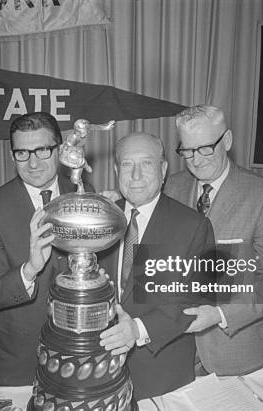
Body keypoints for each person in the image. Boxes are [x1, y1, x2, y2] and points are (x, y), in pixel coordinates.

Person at [164, 104, 263, 376]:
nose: (196, 160)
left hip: (233, 353)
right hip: (175, 350)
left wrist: (221, 314)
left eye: (205, 148)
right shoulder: (171, 187)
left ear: (227, 140)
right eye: (187, 150)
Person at [0, 112, 93, 386]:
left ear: (60, 150)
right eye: (22, 153)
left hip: (84, 356)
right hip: (21, 365)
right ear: (11, 154)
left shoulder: (83, 192)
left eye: (42, 150)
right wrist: (29, 270)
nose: (33, 162)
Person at [98, 132, 215, 404]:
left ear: (163, 170)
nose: (136, 175)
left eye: (147, 164)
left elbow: (194, 299)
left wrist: (137, 329)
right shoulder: (101, 218)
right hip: (100, 371)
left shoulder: (193, 226)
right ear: (116, 170)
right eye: (127, 164)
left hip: (162, 375)